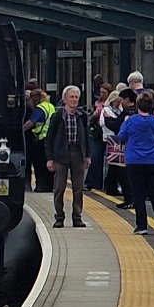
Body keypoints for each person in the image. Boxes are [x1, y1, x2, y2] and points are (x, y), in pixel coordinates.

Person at [117, 92, 154, 236]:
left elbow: (121, 136)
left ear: (137, 105)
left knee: (138, 194)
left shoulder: (131, 121)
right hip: (153, 160)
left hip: (135, 160)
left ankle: (142, 226)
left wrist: (125, 121)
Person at [46, 85, 91, 229]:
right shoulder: (57, 116)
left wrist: (87, 155)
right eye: (71, 97)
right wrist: (50, 158)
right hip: (61, 153)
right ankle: (59, 217)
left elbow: (86, 137)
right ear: (65, 99)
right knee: (60, 187)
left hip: (77, 153)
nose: (74, 100)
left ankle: (77, 217)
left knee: (78, 187)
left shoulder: (82, 115)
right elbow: (49, 138)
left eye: (76, 97)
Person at [104, 88, 136, 208]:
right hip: (136, 148)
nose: (120, 101)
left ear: (127, 99)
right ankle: (131, 199)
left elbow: (118, 127)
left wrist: (108, 119)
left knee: (124, 175)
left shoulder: (127, 113)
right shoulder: (137, 112)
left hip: (124, 148)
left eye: (122, 99)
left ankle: (129, 199)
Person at [23, 88, 54, 192]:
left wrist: (20, 130)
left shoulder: (40, 109)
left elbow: (31, 122)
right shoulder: (50, 106)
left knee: (39, 165)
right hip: (51, 139)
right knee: (48, 166)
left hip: (40, 140)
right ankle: (48, 186)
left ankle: (40, 187)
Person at [85, 81, 111, 190]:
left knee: (111, 159)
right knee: (95, 157)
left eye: (104, 92)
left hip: (109, 132)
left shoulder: (112, 103)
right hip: (99, 132)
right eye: (100, 92)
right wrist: (95, 115)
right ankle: (92, 182)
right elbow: (90, 119)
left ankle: (108, 183)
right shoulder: (97, 103)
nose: (101, 94)